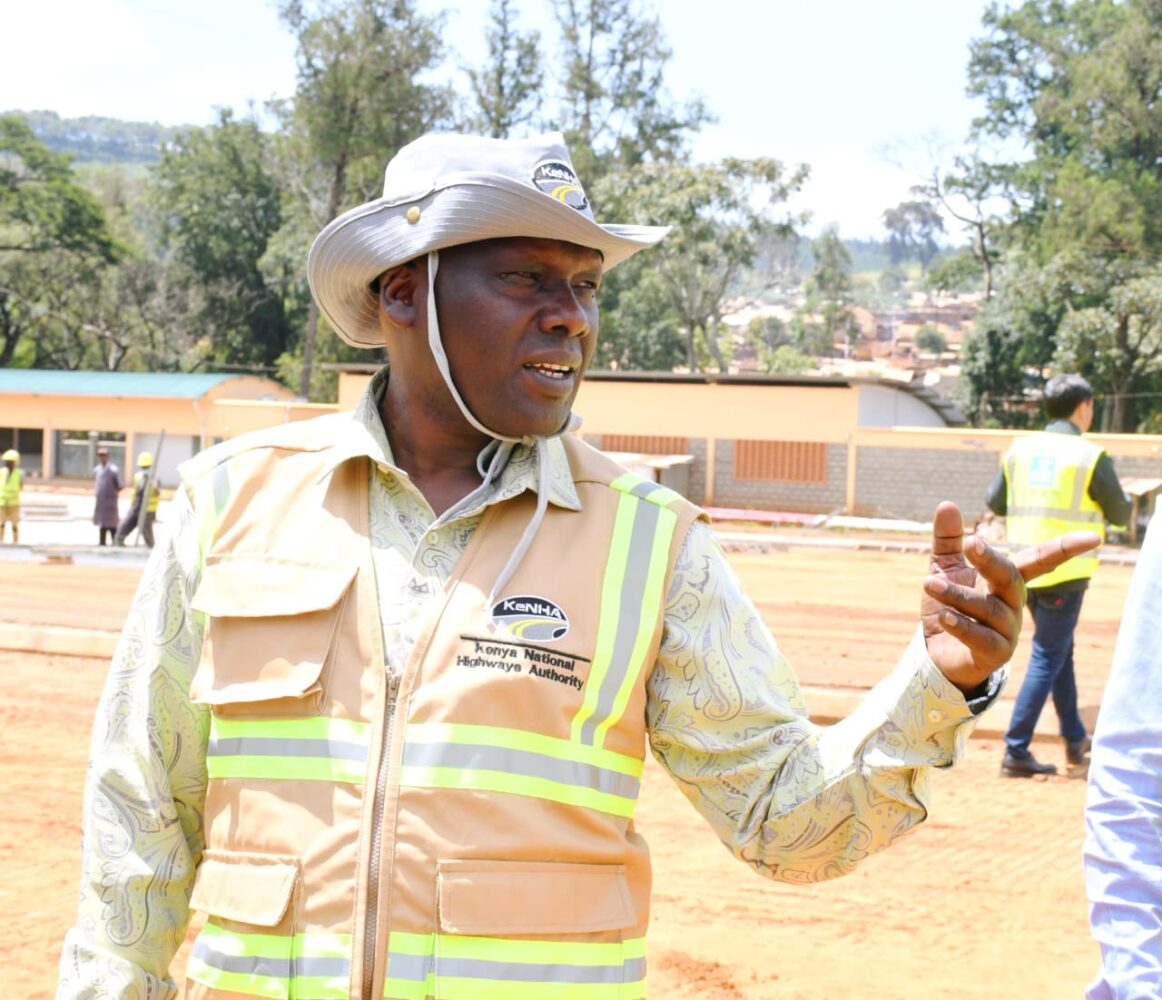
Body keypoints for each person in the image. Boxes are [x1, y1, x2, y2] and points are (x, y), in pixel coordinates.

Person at [57, 132, 1096, 1000]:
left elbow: (786, 825)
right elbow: (138, 810)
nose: (573, 315)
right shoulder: (232, 502)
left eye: (586, 285)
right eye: (525, 277)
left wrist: (939, 682)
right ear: (404, 291)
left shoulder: (650, 540)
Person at [986, 373, 1132, 778]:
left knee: (1058, 654)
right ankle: (1016, 749)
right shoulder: (1089, 456)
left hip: (1023, 568)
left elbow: (994, 501)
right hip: (1066, 571)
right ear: (1082, 408)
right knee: (1048, 655)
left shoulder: (1019, 450)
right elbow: (1121, 513)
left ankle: (1074, 738)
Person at [1082, 513, 1162, 997]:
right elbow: (1136, 765)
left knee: (1050, 658)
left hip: (1062, 574)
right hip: (1065, 571)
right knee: (1049, 657)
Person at [114, 451, 161, 548]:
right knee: (130, 522)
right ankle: (119, 539)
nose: (145, 469)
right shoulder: (139, 476)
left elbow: (157, 492)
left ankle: (152, 547)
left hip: (148, 508)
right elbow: (138, 492)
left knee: (145, 528)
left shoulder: (153, 478)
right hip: (139, 505)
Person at [92, 447, 121, 546]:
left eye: (104, 455)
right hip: (101, 501)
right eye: (101, 456)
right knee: (102, 522)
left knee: (112, 523)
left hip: (111, 501)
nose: (102, 457)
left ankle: (115, 542)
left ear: (108, 456)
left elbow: (119, 486)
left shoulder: (113, 470)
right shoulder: (97, 469)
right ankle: (102, 542)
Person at [0, 448, 22, 543]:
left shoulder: (19, 473)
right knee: (1, 524)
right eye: (7, 461)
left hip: (14, 503)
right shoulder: (1, 472)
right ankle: (1, 540)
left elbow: (21, 486)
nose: (8, 463)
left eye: (10, 461)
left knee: (14, 525)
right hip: (2, 502)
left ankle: (15, 541)